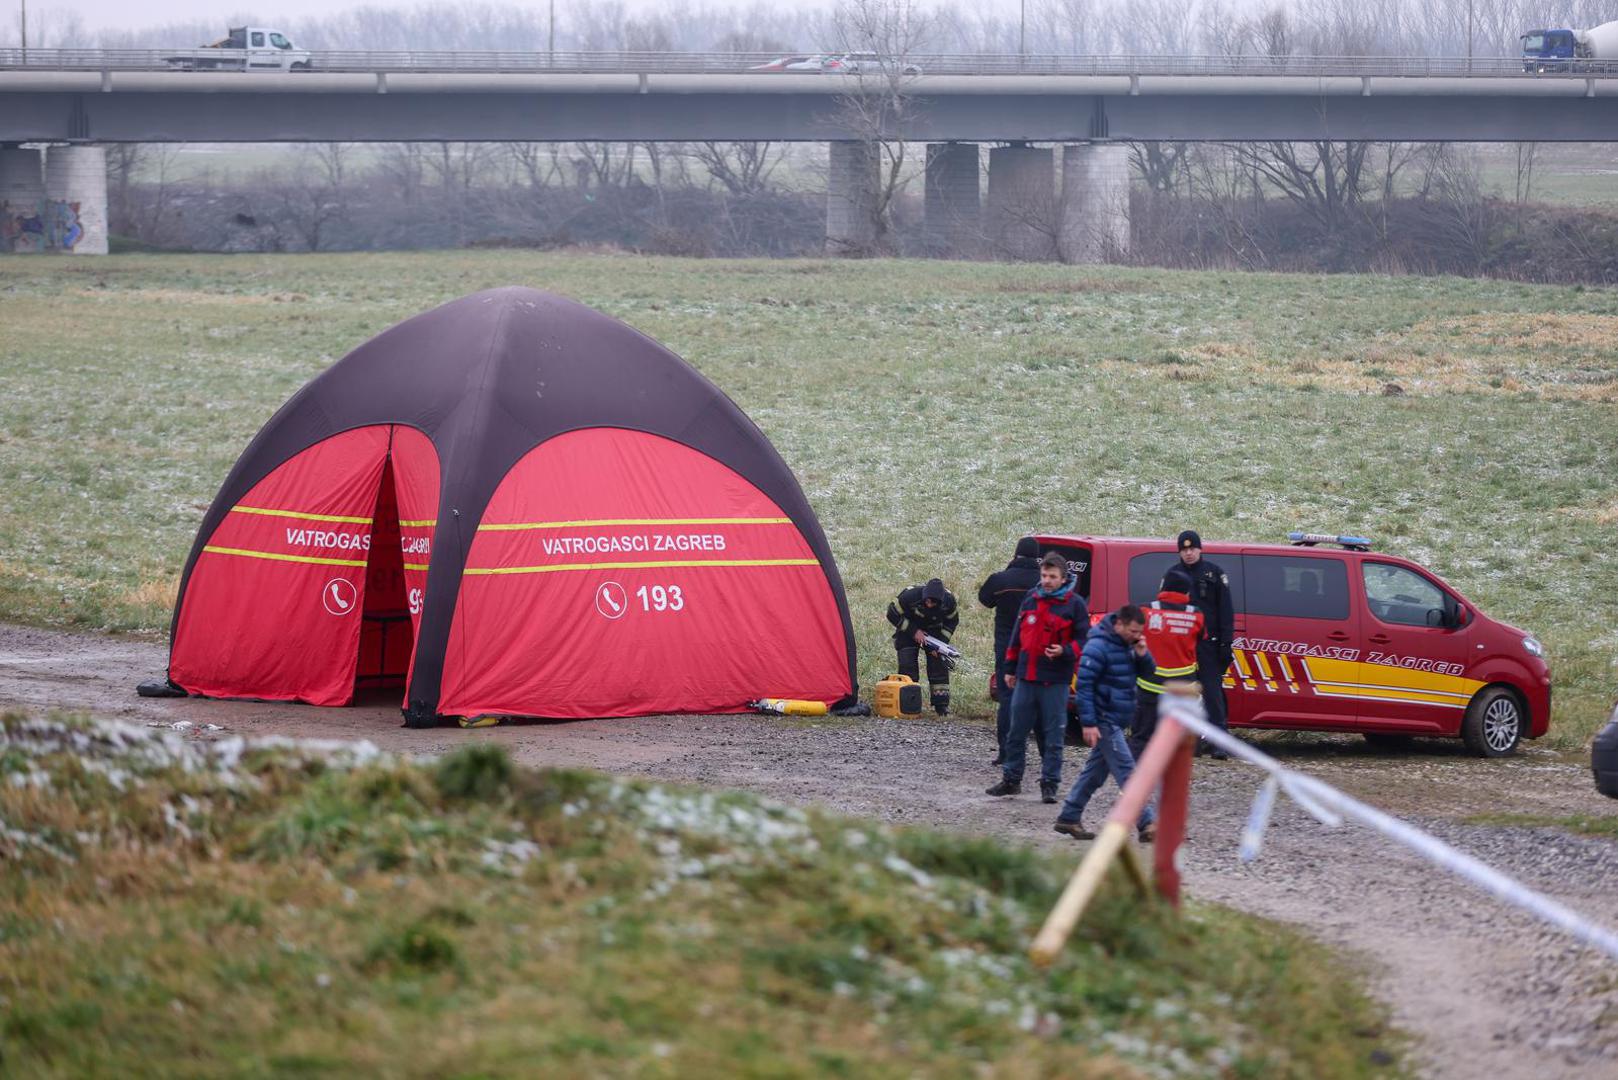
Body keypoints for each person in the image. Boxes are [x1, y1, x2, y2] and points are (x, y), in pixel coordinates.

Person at [987, 553, 1088, 803]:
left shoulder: (1075, 605)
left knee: (1053, 735)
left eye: (1052, 577)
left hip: (1055, 680)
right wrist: (1010, 668)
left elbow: (1084, 640)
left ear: (1063, 578)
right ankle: (1011, 779)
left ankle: (1050, 784)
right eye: (1044, 575)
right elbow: (1017, 636)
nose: (1047, 581)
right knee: (1016, 731)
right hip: (1026, 676)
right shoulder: (1031, 598)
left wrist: (1065, 651)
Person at [1053, 605, 1158, 843]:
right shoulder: (1097, 647)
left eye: (1139, 632)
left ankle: (1069, 816)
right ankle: (1146, 822)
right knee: (1127, 770)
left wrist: (1143, 654)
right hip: (1104, 719)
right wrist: (1089, 723)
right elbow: (1084, 687)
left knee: (1095, 774)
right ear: (1119, 624)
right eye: (1133, 631)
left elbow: (1149, 673)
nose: (1136, 636)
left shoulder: (1129, 645)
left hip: (1116, 719)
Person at [978, 536, 1044, 766]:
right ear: (1037, 557)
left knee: (1007, 698)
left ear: (1016, 553)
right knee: (1038, 700)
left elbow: (985, 599)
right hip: (1037, 648)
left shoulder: (1001, 580)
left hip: (1007, 647)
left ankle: (1006, 752)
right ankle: (1045, 755)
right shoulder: (1043, 581)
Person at [1130, 567, 1204, 757]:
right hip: (1182, 689)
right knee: (1178, 742)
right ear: (1187, 592)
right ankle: (1172, 774)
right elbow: (1202, 642)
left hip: (1149, 686)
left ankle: (1136, 774)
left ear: (1163, 586)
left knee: (1141, 738)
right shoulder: (1197, 615)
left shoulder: (1145, 610)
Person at [1176, 530, 1235, 760]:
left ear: (1200, 549)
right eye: (1184, 549)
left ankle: (1218, 743)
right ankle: (1189, 743)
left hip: (1209, 645)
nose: (1189, 553)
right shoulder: (1173, 574)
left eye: (1192, 548)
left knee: (1212, 694)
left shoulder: (1214, 573)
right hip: (1182, 646)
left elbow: (1225, 610)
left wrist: (1226, 642)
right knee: (1185, 693)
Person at [886, 577, 960, 716]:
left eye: (933, 602)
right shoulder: (909, 596)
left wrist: (940, 644)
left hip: (935, 631)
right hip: (908, 629)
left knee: (938, 665)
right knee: (907, 663)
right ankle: (909, 704)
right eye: (927, 601)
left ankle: (941, 706)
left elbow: (952, 622)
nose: (929, 604)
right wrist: (914, 631)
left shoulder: (949, 601)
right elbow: (892, 613)